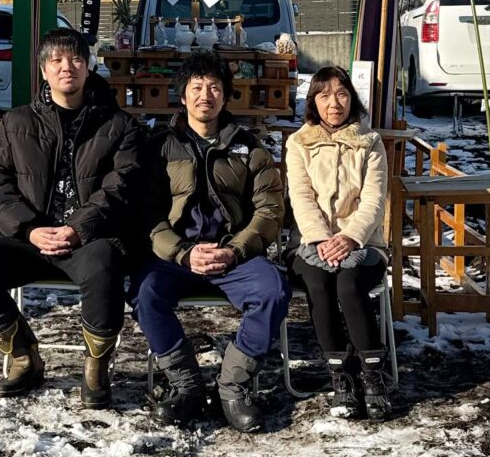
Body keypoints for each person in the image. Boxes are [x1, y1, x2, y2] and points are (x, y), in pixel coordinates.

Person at [0, 27, 140, 407]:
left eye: (74, 59)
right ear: (43, 71)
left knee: (105, 264)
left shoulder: (119, 125)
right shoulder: (16, 123)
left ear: (88, 68)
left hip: (90, 239)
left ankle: (95, 368)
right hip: (27, 238)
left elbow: (122, 186)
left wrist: (78, 227)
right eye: (55, 60)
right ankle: (24, 356)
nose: (65, 67)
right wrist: (29, 228)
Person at [130, 51, 290, 433]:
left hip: (233, 255)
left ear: (225, 96)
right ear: (182, 97)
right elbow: (145, 214)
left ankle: (232, 386)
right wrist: (183, 253)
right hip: (176, 256)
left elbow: (269, 211)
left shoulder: (250, 148)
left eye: (215, 87)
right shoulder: (159, 147)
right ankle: (186, 384)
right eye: (197, 87)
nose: (206, 95)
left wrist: (234, 250)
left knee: (272, 290)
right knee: (143, 292)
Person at [285, 65, 392, 421]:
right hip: (309, 242)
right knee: (318, 282)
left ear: (352, 98)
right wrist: (319, 239)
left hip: (363, 243)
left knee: (348, 284)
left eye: (342, 94)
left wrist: (349, 237)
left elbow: (375, 200)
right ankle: (341, 378)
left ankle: (373, 377)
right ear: (314, 101)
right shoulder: (298, 142)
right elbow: (301, 197)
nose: (335, 103)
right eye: (325, 95)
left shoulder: (370, 141)